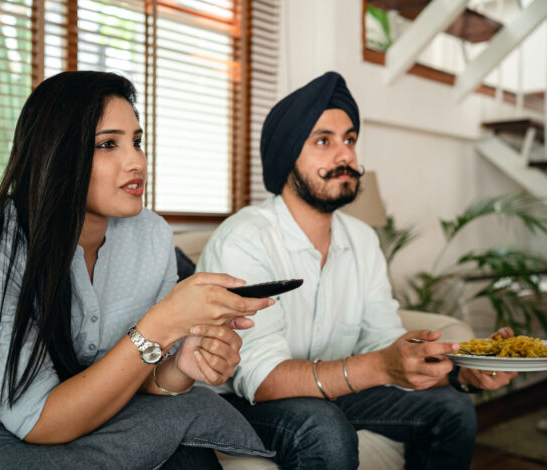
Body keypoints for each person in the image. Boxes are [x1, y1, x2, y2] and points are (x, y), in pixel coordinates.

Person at [0, 71, 274, 470]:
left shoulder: (152, 235)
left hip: (84, 409)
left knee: (192, 460)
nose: (137, 160)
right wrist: (162, 324)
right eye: (108, 144)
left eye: (137, 142)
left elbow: (139, 375)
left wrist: (181, 366)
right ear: (56, 153)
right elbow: (35, 419)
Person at [197, 71, 517, 470]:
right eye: (323, 141)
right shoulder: (245, 239)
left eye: (349, 139)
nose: (345, 155)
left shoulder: (362, 240)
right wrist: (381, 366)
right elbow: (262, 379)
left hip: (330, 392)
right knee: (322, 427)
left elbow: (382, 340)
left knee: (451, 409)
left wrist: (465, 370)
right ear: (286, 157)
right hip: (241, 402)